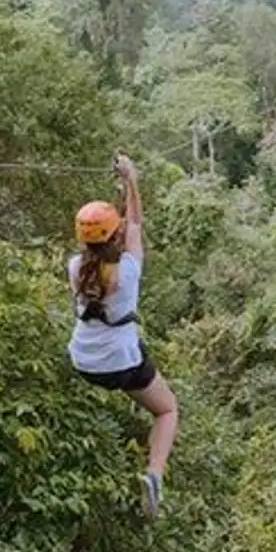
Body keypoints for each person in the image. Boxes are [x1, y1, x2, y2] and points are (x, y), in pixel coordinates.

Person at [69, 153, 178, 518]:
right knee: (166, 410)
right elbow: (134, 221)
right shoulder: (129, 268)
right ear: (116, 234)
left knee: (130, 357)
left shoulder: (74, 268)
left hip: (84, 361)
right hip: (121, 363)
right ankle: (154, 475)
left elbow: (113, 236)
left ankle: (150, 473)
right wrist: (131, 180)